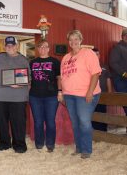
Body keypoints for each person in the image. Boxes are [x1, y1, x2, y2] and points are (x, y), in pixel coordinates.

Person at [61, 30, 101, 159]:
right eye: (71, 39)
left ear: (80, 40)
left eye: (76, 39)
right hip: (69, 95)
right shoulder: (66, 57)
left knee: (84, 121)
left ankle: (86, 150)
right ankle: (79, 147)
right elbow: (63, 77)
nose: (73, 42)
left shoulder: (88, 53)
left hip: (85, 94)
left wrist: (89, 92)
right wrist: (62, 93)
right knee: (75, 122)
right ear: (68, 42)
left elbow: (95, 73)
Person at [0, 36, 29, 153]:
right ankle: (4, 143)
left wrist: (21, 84)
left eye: (12, 45)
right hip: (0, 96)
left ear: (16, 46)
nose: (10, 47)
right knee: (2, 122)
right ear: (4, 46)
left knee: (18, 122)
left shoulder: (23, 60)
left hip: (18, 97)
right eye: (8, 45)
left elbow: (29, 79)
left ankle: (19, 145)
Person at [29, 40, 61, 152]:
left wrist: (60, 91)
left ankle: (50, 144)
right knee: (38, 121)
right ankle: (39, 143)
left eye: (45, 47)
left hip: (51, 96)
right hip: (34, 96)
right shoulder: (32, 62)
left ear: (48, 49)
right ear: (37, 49)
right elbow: (28, 79)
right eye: (40, 47)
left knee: (50, 121)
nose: (43, 49)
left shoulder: (55, 61)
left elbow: (59, 78)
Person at [92, 48, 112, 131]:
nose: (96, 56)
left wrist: (110, 92)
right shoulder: (88, 66)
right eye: (94, 54)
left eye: (97, 54)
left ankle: (103, 131)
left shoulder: (104, 66)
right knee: (93, 112)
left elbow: (108, 79)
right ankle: (94, 132)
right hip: (92, 95)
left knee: (102, 111)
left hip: (103, 94)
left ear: (99, 55)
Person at [109, 28, 127, 116]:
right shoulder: (118, 48)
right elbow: (112, 63)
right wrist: (124, 73)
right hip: (120, 79)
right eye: (125, 35)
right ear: (123, 36)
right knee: (125, 102)